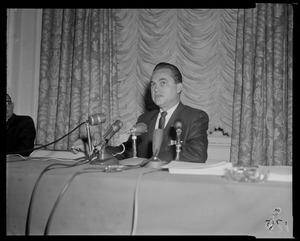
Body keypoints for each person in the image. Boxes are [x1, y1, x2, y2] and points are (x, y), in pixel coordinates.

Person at [71, 62, 209, 163]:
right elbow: (127, 152)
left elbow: (198, 153)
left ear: (179, 87)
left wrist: (152, 159)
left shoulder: (195, 117)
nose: (155, 89)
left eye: (162, 83)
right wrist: (94, 149)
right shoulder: (145, 118)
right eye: (153, 84)